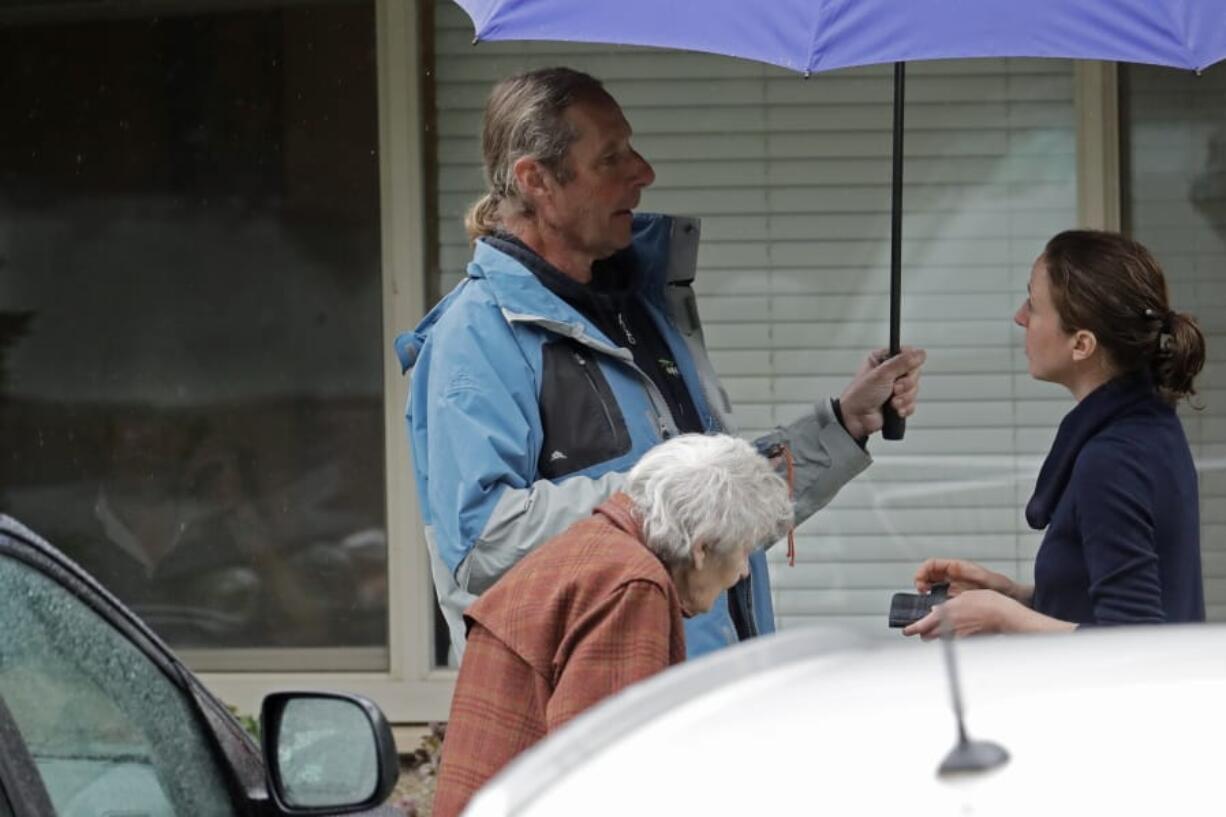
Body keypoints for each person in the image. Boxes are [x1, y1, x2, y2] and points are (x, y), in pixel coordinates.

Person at [395, 66, 926, 660]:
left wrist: (846, 422)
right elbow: (482, 547)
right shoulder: (477, 338)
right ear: (537, 180)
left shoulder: (643, 313)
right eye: (611, 157)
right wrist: (670, 496)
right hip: (597, 728)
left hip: (704, 702)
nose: (643, 173)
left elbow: (716, 510)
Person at [431, 433, 795, 817]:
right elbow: (602, 783)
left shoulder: (592, 549)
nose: (741, 572)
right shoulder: (632, 584)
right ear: (701, 548)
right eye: (744, 550)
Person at [905, 230, 1206, 639]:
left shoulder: (1113, 458)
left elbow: (1134, 643)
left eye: (1033, 303)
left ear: (1082, 344)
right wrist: (1011, 595)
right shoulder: (1151, 427)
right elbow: (1106, 606)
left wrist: (1002, 617)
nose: (1019, 317)